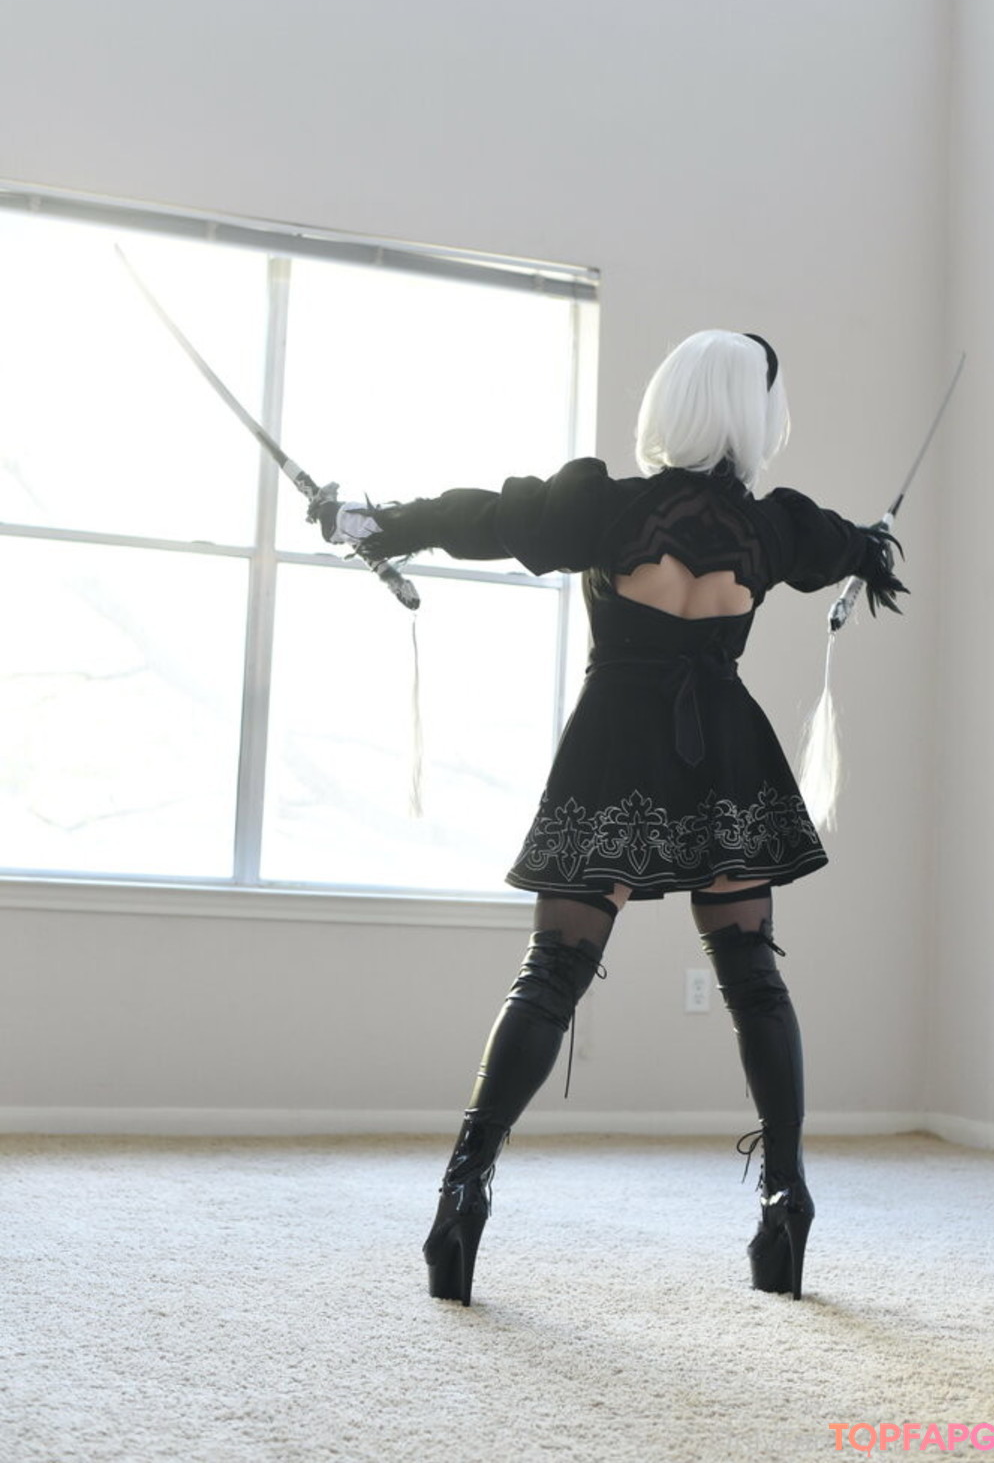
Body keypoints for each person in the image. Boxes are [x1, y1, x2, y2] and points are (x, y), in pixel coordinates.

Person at [315, 329, 906, 1306]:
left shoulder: (604, 505)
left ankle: (463, 1192)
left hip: (615, 750)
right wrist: (873, 547)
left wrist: (370, 520)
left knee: (552, 974)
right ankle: (786, 1199)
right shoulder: (776, 528)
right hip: (724, 754)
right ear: (749, 412)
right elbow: (855, 549)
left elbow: (481, 518)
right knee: (754, 979)